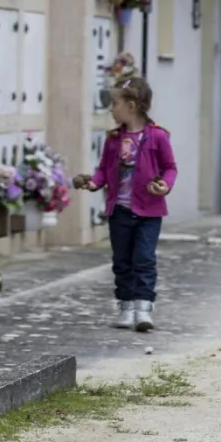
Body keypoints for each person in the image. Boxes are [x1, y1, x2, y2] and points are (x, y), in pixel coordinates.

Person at [73, 76, 178, 333]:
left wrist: (165, 185)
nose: (111, 108)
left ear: (131, 106)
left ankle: (143, 307)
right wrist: (93, 183)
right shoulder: (113, 139)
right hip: (119, 210)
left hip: (149, 211)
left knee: (143, 259)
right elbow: (103, 170)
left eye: (115, 103)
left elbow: (170, 168)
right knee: (122, 261)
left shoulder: (157, 137)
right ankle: (126, 306)